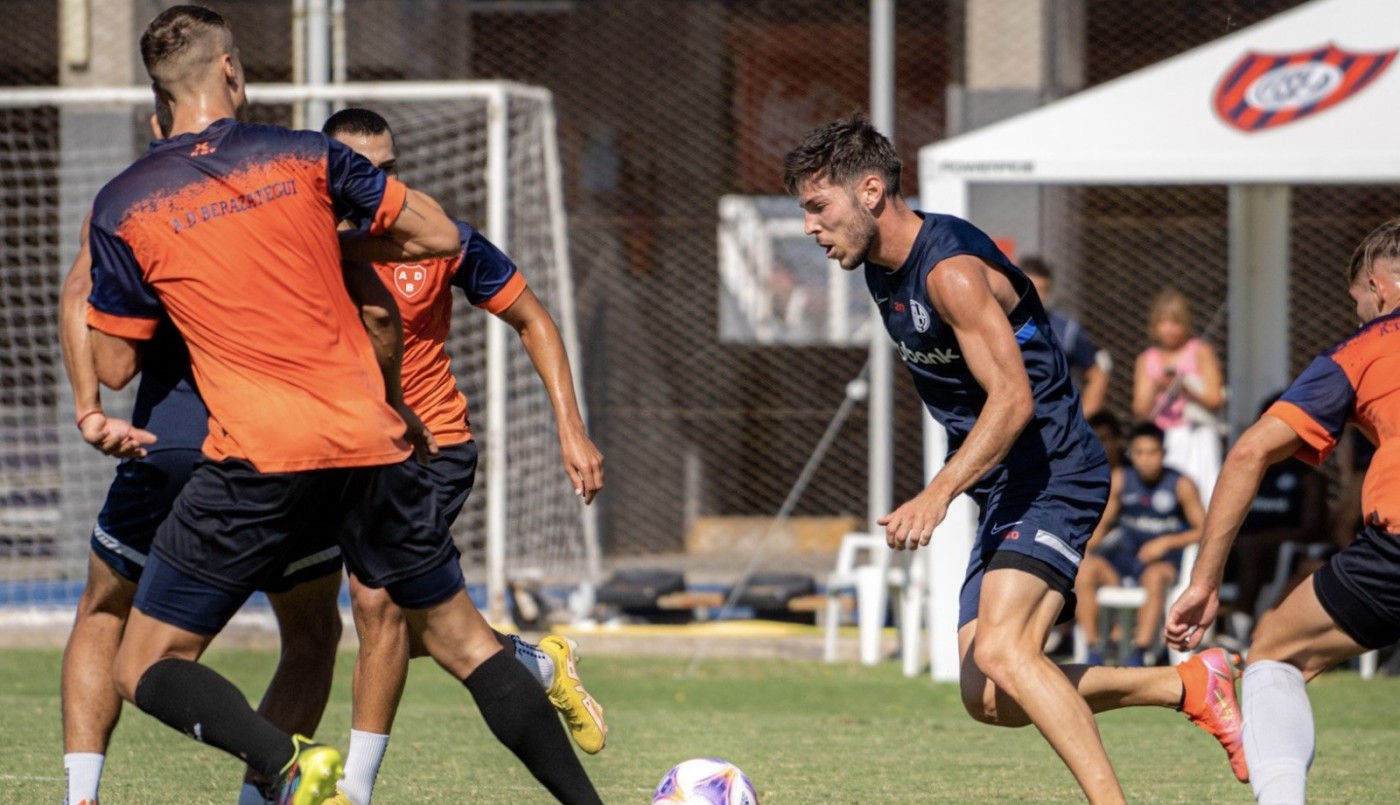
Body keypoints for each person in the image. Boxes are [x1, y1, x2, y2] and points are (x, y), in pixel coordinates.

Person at [87, 7, 602, 804]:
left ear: (160, 96)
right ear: (231, 70)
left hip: (261, 453)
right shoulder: (306, 156)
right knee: (465, 642)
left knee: (143, 662)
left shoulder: (126, 201)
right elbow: (432, 234)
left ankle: (291, 764)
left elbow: (116, 363)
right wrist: (322, 243)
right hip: (377, 440)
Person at [783, 114, 1245, 803]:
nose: (810, 228)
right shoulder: (882, 269)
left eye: (819, 207)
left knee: (1003, 650)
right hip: (1005, 486)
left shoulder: (950, 273)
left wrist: (936, 492)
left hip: (1055, 470)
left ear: (871, 191)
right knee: (990, 693)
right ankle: (1186, 683)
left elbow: (1013, 400)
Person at [320, 108, 607, 805]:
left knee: (375, 601)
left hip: (432, 445)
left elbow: (532, 317)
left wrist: (572, 426)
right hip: (333, 452)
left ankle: (354, 789)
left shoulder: (435, 236)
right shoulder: (296, 239)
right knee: (401, 624)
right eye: (364, 168)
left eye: (388, 167)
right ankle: (529, 659)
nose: (381, 180)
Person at [58, 111, 345, 805]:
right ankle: (269, 788)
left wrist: (89, 404)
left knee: (107, 612)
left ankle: (83, 798)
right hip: (289, 442)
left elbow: (91, 321)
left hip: (176, 443)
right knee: (312, 631)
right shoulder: (282, 183)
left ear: (159, 120)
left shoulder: (135, 199)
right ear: (234, 86)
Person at [1167, 217, 1400, 804]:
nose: (1358, 315)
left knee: (1275, 653)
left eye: (1357, 302)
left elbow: (1249, 451)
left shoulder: (1365, 348)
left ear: (1378, 286)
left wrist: (1203, 581)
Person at [1075, 423, 1204, 667]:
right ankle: (1093, 650)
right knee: (1085, 569)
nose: (1145, 459)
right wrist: (1085, 549)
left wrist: (1166, 542)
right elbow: (1101, 525)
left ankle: (1140, 652)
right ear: (1131, 454)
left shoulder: (1181, 484)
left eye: (1152, 452)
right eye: (1139, 453)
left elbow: (1204, 530)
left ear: (1163, 454)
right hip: (1122, 560)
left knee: (1155, 576)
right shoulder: (1122, 479)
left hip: (1161, 564)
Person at [1223, 394, 1330, 642]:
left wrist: (1267, 539)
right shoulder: (1247, 469)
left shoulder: (1308, 478)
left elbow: (1312, 528)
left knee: (1252, 548)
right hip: (1236, 551)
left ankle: (1242, 627)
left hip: (1284, 555)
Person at [1131, 288, 1225, 506]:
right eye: (1163, 323)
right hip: (1163, 439)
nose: (1169, 330)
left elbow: (1215, 399)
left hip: (1196, 434)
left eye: (1176, 322)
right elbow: (1140, 411)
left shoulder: (1200, 351)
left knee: (1204, 495)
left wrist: (1186, 386)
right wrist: (1158, 386)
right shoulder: (1147, 359)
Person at [1020, 256, 1111, 417]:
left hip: (1052, 422)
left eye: (1044, 289)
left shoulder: (1066, 329)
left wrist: (1082, 418)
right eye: (1033, 288)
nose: (1038, 296)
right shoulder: (998, 324)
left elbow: (1097, 375)